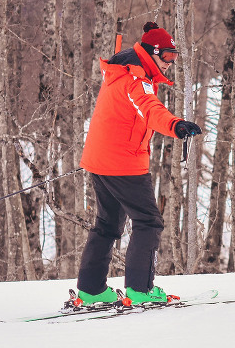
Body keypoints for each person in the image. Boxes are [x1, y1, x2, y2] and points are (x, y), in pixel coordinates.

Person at [75, 21, 202, 306]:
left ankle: (92, 289)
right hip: (123, 163)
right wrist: (176, 124)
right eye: (167, 56)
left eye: (175, 57)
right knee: (148, 222)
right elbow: (149, 108)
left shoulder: (120, 72)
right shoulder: (135, 78)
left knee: (107, 224)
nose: (170, 63)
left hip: (102, 159)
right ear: (151, 52)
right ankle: (140, 289)